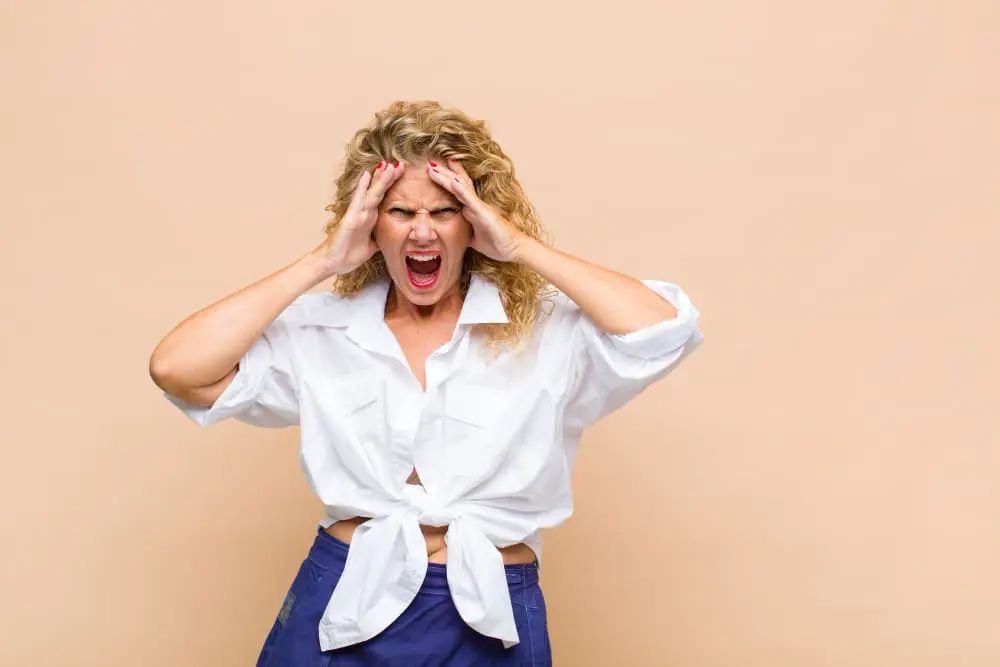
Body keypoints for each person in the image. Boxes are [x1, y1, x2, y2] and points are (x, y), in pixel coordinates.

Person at [149, 100, 703, 666]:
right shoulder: (323, 329)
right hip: (345, 594)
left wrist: (519, 247)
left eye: (444, 211)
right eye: (399, 211)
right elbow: (178, 370)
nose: (421, 231)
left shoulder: (544, 329)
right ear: (370, 221)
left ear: (475, 221)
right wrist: (322, 261)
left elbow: (665, 330)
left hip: (489, 612)